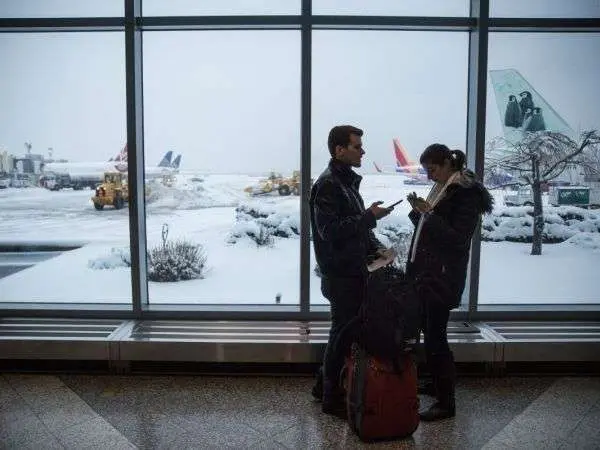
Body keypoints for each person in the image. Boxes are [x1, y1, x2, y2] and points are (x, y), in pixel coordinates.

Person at [406, 144, 493, 421]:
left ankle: (446, 402)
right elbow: (432, 228)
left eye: (432, 169)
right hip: (431, 273)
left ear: (446, 164)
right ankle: (439, 384)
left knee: (435, 337)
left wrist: (428, 214)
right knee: (431, 333)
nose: (430, 176)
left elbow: (456, 240)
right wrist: (418, 212)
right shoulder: (447, 188)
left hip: (442, 276)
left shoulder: (464, 194)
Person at [310, 125, 393, 416]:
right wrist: (368, 216)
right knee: (341, 334)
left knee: (343, 332)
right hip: (341, 275)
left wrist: (377, 248)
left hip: (351, 271)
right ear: (339, 150)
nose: (363, 151)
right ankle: (330, 398)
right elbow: (329, 230)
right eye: (357, 146)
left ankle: (324, 387)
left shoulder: (345, 184)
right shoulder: (330, 184)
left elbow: (355, 227)